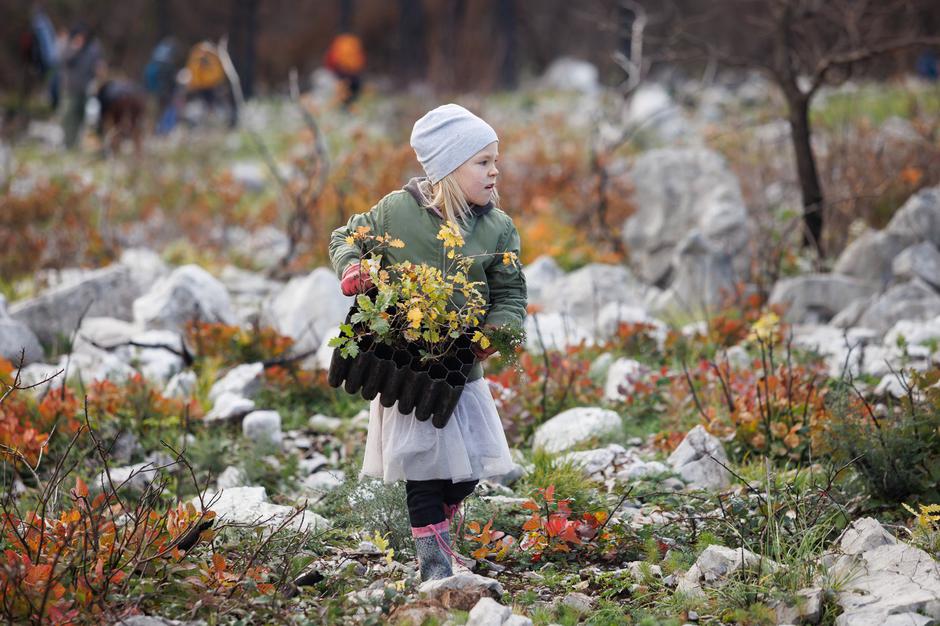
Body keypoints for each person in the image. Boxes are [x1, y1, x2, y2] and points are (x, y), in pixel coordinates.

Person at [328, 104, 527, 581]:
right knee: (423, 469)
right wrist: (353, 266)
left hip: (460, 368)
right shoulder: (396, 212)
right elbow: (345, 236)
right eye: (482, 162)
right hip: (405, 366)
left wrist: (498, 331)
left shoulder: (496, 227)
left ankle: (440, 536)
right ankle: (435, 567)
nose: (495, 171)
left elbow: (510, 291)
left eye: (494, 160)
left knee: (469, 469)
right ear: (448, 170)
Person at [61, 24, 104, 149]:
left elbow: (98, 65)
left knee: (86, 118)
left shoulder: (93, 48)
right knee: (69, 117)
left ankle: (83, 145)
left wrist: (99, 70)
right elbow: (64, 60)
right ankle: (68, 144)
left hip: (87, 89)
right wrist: (76, 48)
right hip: (70, 89)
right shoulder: (69, 46)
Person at [323, 33, 366, 108]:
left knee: (343, 93)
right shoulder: (354, 41)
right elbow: (361, 58)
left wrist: (332, 69)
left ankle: (345, 107)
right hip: (353, 74)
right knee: (353, 93)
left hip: (341, 73)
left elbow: (331, 58)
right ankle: (351, 107)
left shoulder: (339, 42)